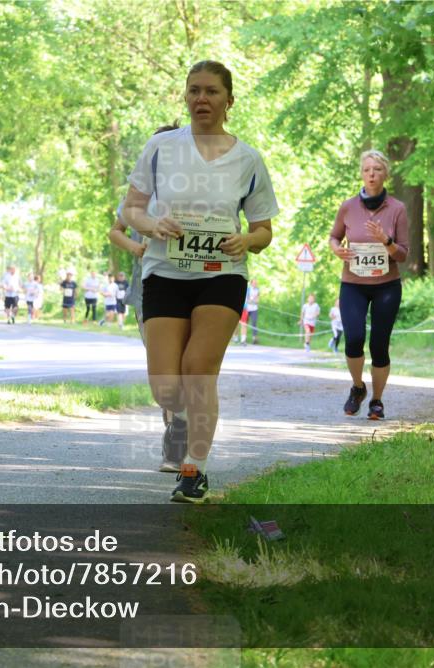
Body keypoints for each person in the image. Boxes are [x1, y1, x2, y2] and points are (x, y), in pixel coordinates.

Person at [122, 60, 277, 502]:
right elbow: (130, 209)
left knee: (199, 372)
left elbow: (264, 231)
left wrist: (247, 239)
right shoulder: (161, 148)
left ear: (229, 100)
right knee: (167, 387)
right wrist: (151, 225)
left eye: (211, 91)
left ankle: (194, 471)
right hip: (165, 273)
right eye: (194, 91)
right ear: (185, 97)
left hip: (221, 275)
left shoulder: (248, 159)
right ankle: (184, 419)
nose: (201, 99)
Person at [108, 134, 184, 472]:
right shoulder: (138, 194)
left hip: (186, 283)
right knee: (163, 366)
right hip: (146, 287)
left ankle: (179, 434)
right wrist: (135, 248)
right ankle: (172, 423)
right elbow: (116, 231)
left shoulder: (190, 190)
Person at [328, 149, 409, 420]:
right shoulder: (348, 207)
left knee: (379, 345)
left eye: (377, 169)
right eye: (367, 170)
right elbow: (334, 237)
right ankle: (358, 387)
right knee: (353, 339)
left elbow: (404, 254)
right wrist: (337, 249)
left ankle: (377, 400)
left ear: (386, 173)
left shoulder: (397, 208)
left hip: (386, 285)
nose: (371, 174)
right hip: (353, 283)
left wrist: (386, 240)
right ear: (361, 174)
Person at [244, 278, 260, 345]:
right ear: (251, 283)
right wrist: (252, 301)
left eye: (256, 283)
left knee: (254, 322)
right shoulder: (248, 289)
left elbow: (257, 300)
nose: (255, 284)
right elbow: (247, 300)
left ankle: (254, 338)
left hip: (254, 309)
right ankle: (244, 338)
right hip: (247, 308)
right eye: (254, 283)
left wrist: (254, 301)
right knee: (245, 323)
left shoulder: (257, 290)